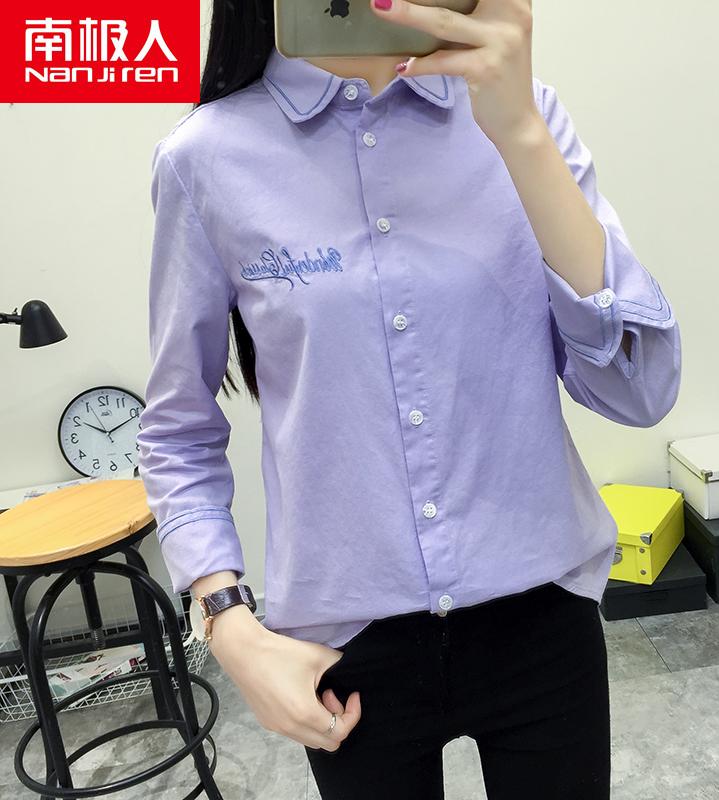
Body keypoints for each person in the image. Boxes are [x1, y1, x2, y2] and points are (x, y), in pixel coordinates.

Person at [136, 1, 682, 797]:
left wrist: (520, 133)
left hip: (542, 615)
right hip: (344, 646)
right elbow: (177, 429)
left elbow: (639, 390)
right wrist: (229, 626)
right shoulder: (206, 159)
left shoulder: (523, 117)